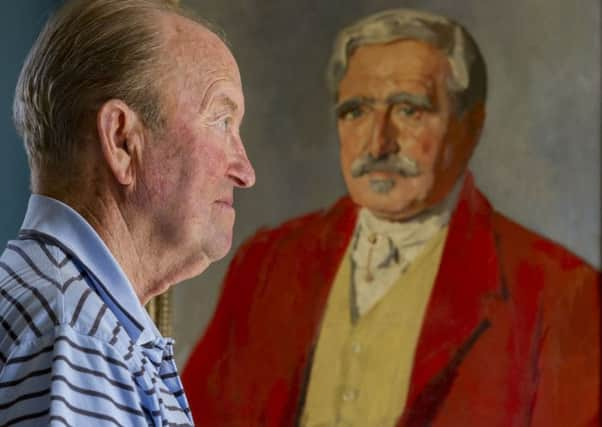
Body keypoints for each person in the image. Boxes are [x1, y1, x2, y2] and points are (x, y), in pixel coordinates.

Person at [183, 9, 600, 427]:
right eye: (356, 111)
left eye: (409, 110)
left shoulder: (562, 292)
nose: (378, 143)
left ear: (470, 127)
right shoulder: (267, 263)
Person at [0, 0, 254, 425]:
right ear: (121, 140)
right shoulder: (79, 336)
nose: (245, 171)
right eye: (221, 121)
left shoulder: (68, 310)